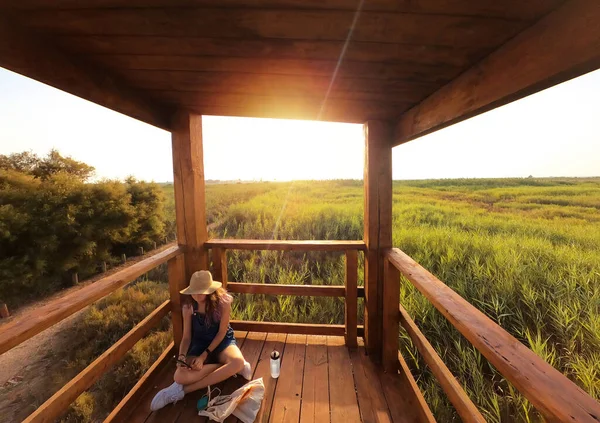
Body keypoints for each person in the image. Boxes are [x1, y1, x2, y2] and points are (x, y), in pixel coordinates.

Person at [150, 270, 252, 411]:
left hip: (222, 341)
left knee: (238, 362)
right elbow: (186, 337)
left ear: (210, 290)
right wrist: (181, 358)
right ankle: (225, 367)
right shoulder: (189, 307)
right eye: (194, 291)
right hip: (199, 344)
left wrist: (204, 357)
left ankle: (182, 392)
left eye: (201, 291)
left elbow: (222, 332)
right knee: (179, 376)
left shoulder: (224, 302)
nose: (197, 296)